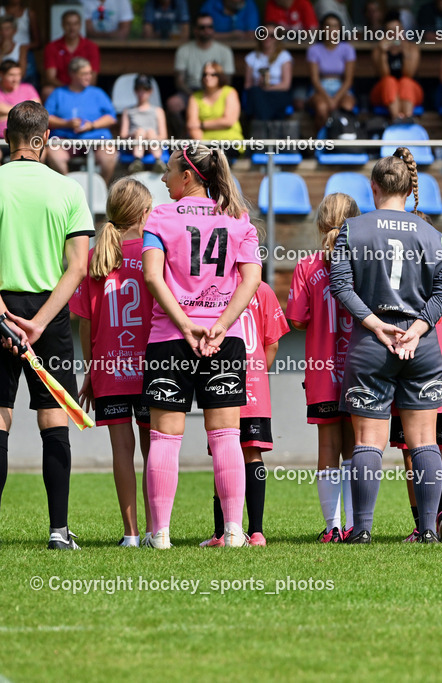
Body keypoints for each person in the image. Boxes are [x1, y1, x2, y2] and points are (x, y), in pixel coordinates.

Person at [328, 148, 442, 545]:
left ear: (374, 187)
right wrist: (417, 329)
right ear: (408, 187)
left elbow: (341, 286)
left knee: (368, 439)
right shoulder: (432, 233)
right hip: (421, 347)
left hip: (372, 343)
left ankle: (362, 529)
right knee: (425, 441)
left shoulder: (353, 229)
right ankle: (429, 529)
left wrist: (376, 325)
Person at [139, 143, 262, 550]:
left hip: (170, 339)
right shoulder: (237, 217)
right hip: (222, 341)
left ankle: (159, 536)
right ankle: (233, 533)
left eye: (168, 170)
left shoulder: (159, 215)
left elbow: (154, 279)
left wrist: (186, 324)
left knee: (164, 438)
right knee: (226, 436)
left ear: (187, 175)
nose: (162, 178)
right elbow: (251, 280)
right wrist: (221, 325)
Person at [0, 101, 93, 550]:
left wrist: (3, 315)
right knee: (53, 419)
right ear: (42, 141)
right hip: (48, 314)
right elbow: (77, 267)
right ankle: (58, 531)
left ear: (7, 137)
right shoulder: (69, 190)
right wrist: (37, 323)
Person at [71, 178, 155, 548]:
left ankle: (131, 534)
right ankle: (158, 529)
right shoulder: (154, 253)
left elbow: (86, 326)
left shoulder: (94, 258)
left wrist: (92, 370)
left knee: (121, 451)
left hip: (109, 368)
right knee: (155, 447)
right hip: (152, 367)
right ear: (142, 214)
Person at [287, 193, 360, 543]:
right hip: (362, 370)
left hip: (322, 371)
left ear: (320, 224)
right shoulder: (366, 261)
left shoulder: (307, 265)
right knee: (358, 447)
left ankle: (332, 527)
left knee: (328, 447)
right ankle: (356, 525)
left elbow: (297, 320)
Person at [201, 280, 288, 547]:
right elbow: (271, 343)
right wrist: (257, 372)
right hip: (254, 387)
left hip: (221, 380)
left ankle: (220, 533)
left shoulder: (212, 285)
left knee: (222, 453)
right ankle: (256, 532)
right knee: (252, 452)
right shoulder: (261, 288)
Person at [393, 261, 442, 543]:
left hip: (408, 374)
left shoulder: (398, 283)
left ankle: (421, 524)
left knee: (411, 450)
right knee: (438, 445)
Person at [44, 57, 118, 184]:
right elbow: (46, 118)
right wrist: (66, 124)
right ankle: (68, 188)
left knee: (109, 156)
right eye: (84, 74)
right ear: (73, 74)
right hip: (65, 140)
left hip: (97, 139)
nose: (89, 76)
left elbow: (111, 118)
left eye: (90, 73)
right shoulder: (59, 93)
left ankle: (101, 189)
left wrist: (92, 125)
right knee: (54, 153)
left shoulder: (98, 93)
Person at [168, 15, 236, 135]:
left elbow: (228, 81)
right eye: (202, 27)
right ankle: (183, 138)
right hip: (190, 90)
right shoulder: (184, 50)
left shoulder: (224, 51)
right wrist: (195, 97)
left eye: (210, 27)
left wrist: (212, 94)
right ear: (195, 30)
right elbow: (179, 81)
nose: (206, 30)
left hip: (217, 90)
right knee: (173, 103)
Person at [307, 12, 356, 130]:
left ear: (340, 29)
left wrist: (335, 99)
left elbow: (348, 80)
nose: (331, 29)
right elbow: (315, 79)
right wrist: (329, 99)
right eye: (328, 26)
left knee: (347, 106)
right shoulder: (314, 49)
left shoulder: (347, 49)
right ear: (322, 29)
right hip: (320, 88)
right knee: (322, 108)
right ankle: (320, 143)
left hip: (341, 87)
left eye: (335, 26)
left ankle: (342, 140)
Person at [370, 14, 422, 122]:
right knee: (389, 81)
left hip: (409, 92)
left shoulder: (412, 48)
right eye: (390, 31)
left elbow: (409, 74)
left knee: (406, 82)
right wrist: (383, 53)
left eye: (397, 30)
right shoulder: (378, 50)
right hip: (384, 92)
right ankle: (396, 119)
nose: (394, 34)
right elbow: (384, 75)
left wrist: (405, 52)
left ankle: (408, 117)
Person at [42, 10, 100, 101]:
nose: (72, 28)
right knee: (47, 91)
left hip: (84, 88)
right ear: (62, 25)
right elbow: (50, 77)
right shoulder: (52, 47)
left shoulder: (91, 47)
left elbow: (92, 79)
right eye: (68, 24)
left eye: (75, 24)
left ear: (80, 25)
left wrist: (77, 89)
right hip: (61, 88)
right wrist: (69, 89)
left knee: (97, 93)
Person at [243, 24, 294, 123]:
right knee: (255, 93)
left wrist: (268, 88)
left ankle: (262, 124)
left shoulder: (284, 56)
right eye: (264, 34)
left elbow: (286, 85)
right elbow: (247, 85)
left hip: (277, 93)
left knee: (259, 99)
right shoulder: (251, 57)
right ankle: (265, 124)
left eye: (272, 35)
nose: (267, 38)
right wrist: (259, 84)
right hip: (258, 93)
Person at [120, 74, 168, 174]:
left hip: (153, 143)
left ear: (150, 91)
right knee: (141, 132)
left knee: (150, 132)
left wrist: (149, 136)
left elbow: (163, 136)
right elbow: (123, 135)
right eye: (139, 89)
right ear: (135, 91)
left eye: (145, 89)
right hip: (133, 144)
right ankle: (137, 160)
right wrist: (136, 134)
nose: (142, 93)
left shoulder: (158, 111)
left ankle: (158, 161)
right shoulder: (128, 111)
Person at [187, 61, 243, 143]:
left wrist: (201, 124)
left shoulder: (230, 92)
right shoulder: (195, 97)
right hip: (204, 143)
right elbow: (192, 125)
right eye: (205, 74)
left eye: (213, 74)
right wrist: (203, 145)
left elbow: (229, 121)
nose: (208, 77)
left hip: (230, 141)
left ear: (220, 76)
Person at [0, 59, 39, 136]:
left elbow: (36, 111)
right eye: (11, 75)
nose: (16, 79)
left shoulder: (28, 88)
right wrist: (25, 112)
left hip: (26, 136)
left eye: (18, 74)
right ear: (1, 74)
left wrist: (4, 116)